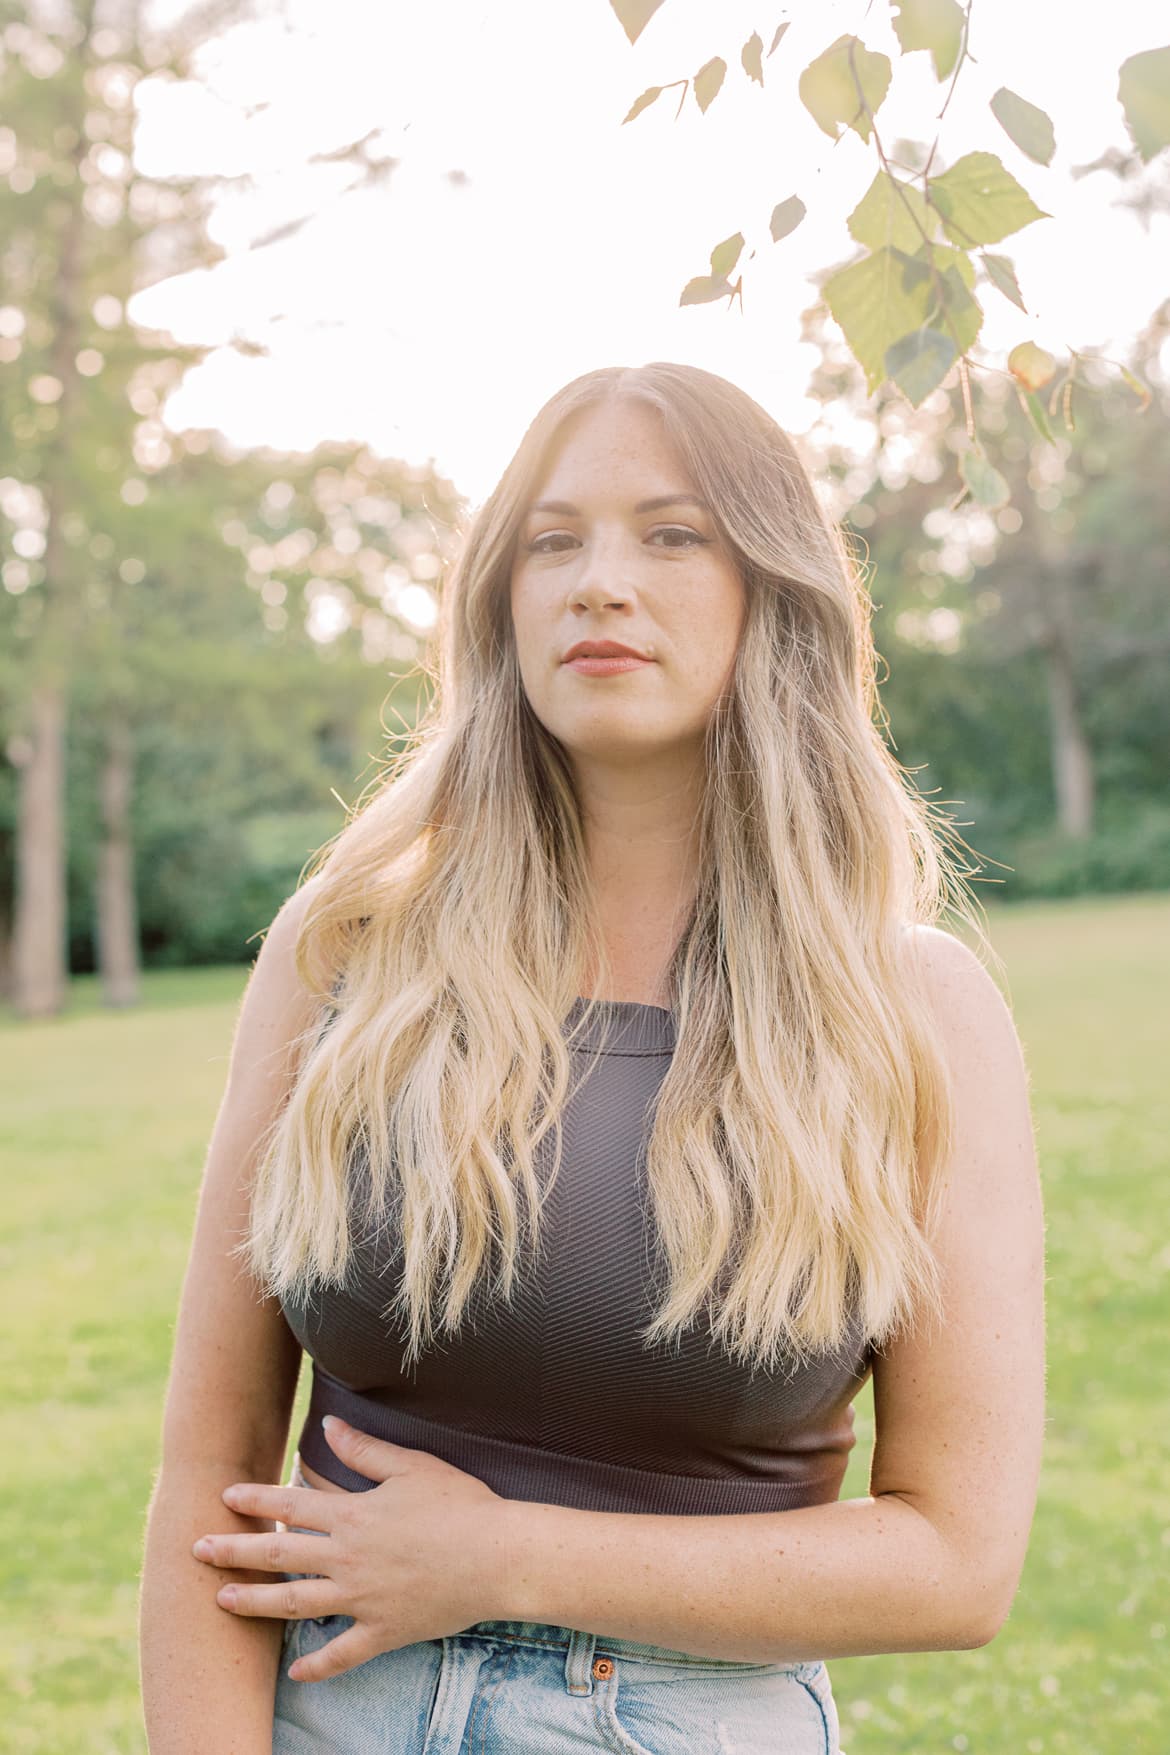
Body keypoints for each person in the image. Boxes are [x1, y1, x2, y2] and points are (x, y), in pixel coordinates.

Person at [138, 362, 1046, 1755]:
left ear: (772, 594)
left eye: (670, 534)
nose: (599, 582)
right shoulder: (346, 960)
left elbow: (956, 1561)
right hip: (332, 1711)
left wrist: (505, 1560)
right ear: (500, 601)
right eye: (552, 541)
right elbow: (209, 1469)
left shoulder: (912, 1011)